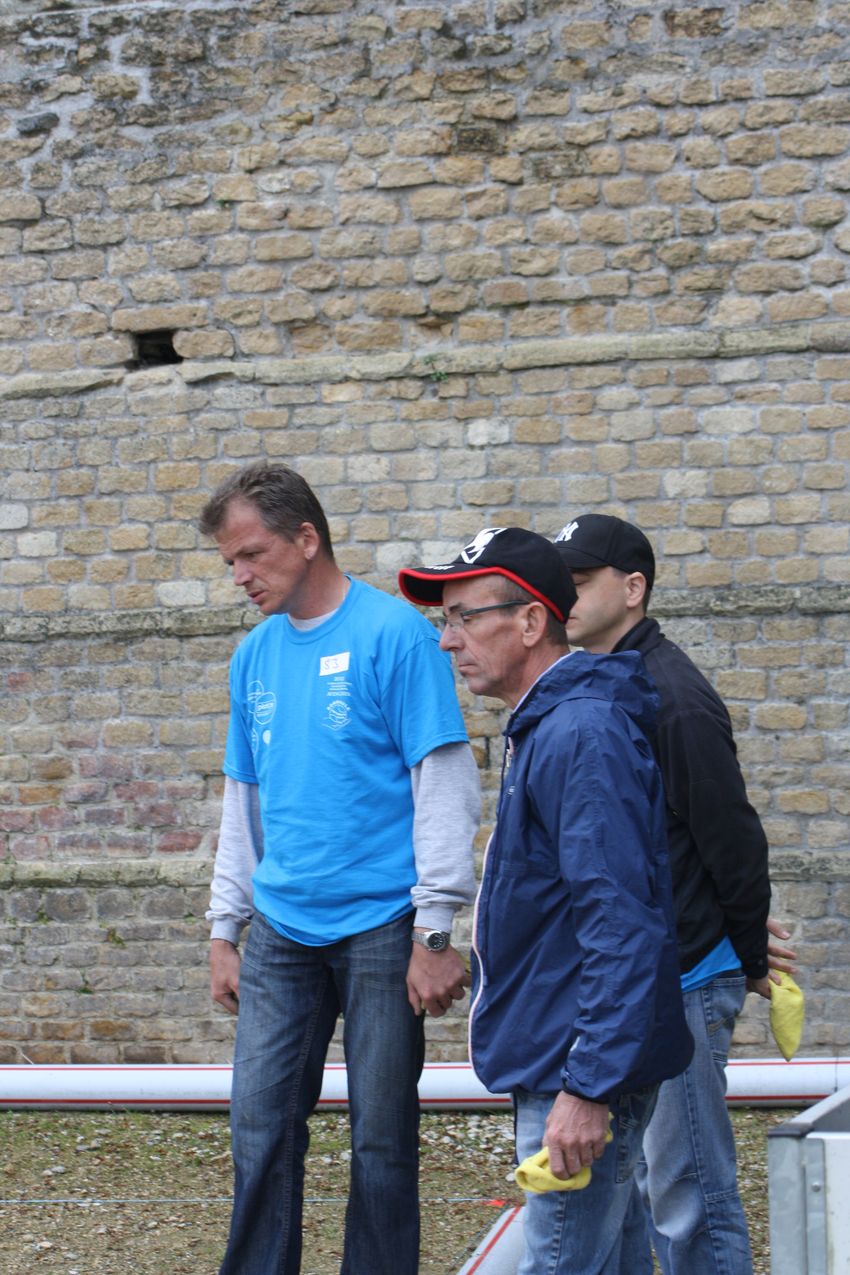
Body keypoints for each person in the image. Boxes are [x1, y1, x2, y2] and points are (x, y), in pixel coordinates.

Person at [199, 462, 480, 1275]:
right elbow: (244, 800)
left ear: (306, 537)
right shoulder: (252, 656)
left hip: (384, 926)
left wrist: (435, 928)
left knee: (382, 1138)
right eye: (230, 562)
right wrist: (224, 928)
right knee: (258, 1127)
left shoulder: (396, 636)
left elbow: (443, 781)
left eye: (252, 554)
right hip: (281, 928)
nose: (241, 575)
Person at [399, 526, 694, 1275]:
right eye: (445, 620)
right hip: (572, 1056)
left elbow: (620, 923)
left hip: (577, 1067)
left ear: (531, 621)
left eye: (464, 617)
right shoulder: (554, 723)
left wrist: (588, 1087)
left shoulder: (579, 732)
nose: (447, 640)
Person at [552, 512, 797, 1275]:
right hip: (647, 979)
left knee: (690, 1188)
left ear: (633, 588)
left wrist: (749, 953)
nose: (564, 596)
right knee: (637, 1185)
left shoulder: (673, 696)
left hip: (686, 973)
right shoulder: (601, 683)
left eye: (580, 581)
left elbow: (733, 836)